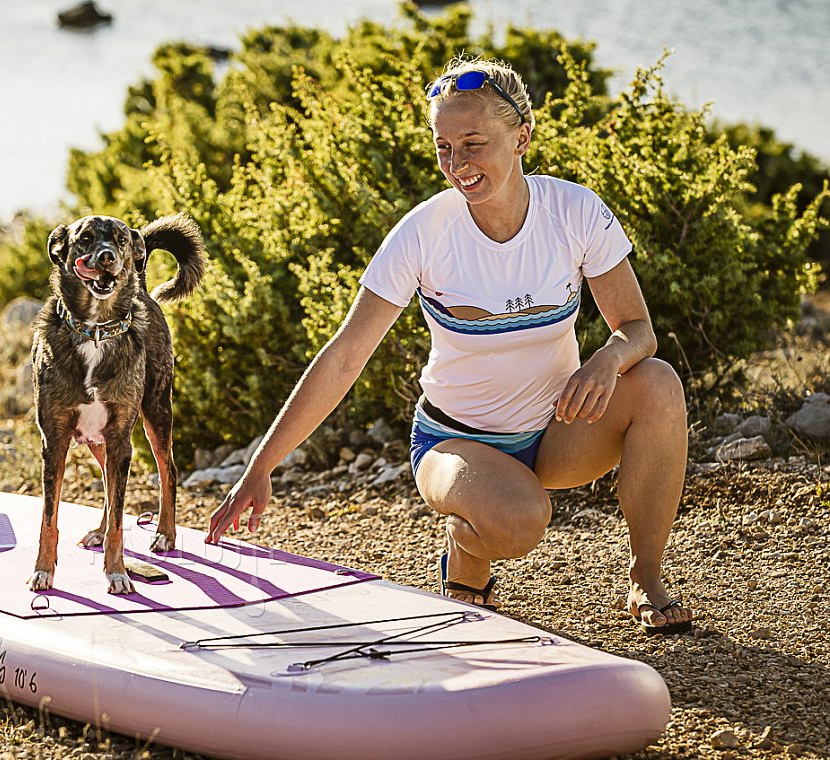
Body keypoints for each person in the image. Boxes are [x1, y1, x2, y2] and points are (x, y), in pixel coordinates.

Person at [205, 56, 694, 635]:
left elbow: (638, 329)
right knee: (521, 523)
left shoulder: (574, 211)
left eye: (472, 143)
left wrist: (608, 360)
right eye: (443, 147)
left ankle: (646, 579)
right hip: (454, 442)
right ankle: (466, 554)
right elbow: (343, 357)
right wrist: (262, 466)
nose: (456, 164)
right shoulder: (424, 232)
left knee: (658, 383)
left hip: (558, 429)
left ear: (521, 137)